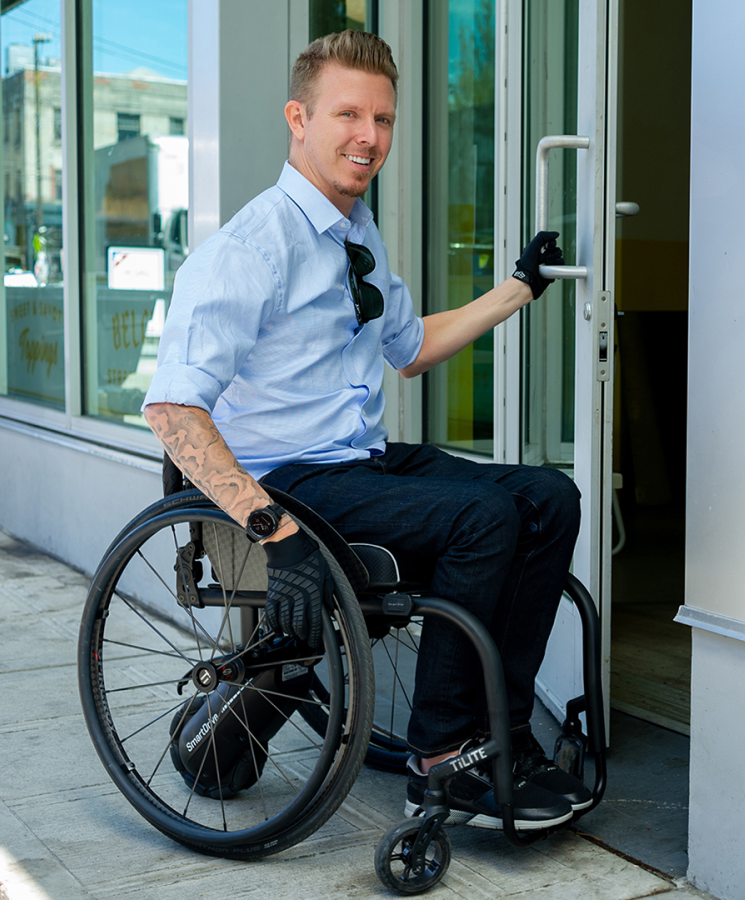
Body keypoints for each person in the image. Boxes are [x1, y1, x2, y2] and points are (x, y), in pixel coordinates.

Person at [141, 30, 587, 832]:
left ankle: (501, 729)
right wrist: (272, 529)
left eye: (382, 119)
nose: (370, 137)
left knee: (549, 496)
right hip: (288, 481)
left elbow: (409, 349)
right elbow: (174, 410)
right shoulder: (250, 249)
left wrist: (519, 288)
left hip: (360, 464)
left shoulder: (356, 232)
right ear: (298, 118)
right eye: (349, 114)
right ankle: (445, 754)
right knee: (482, 519)